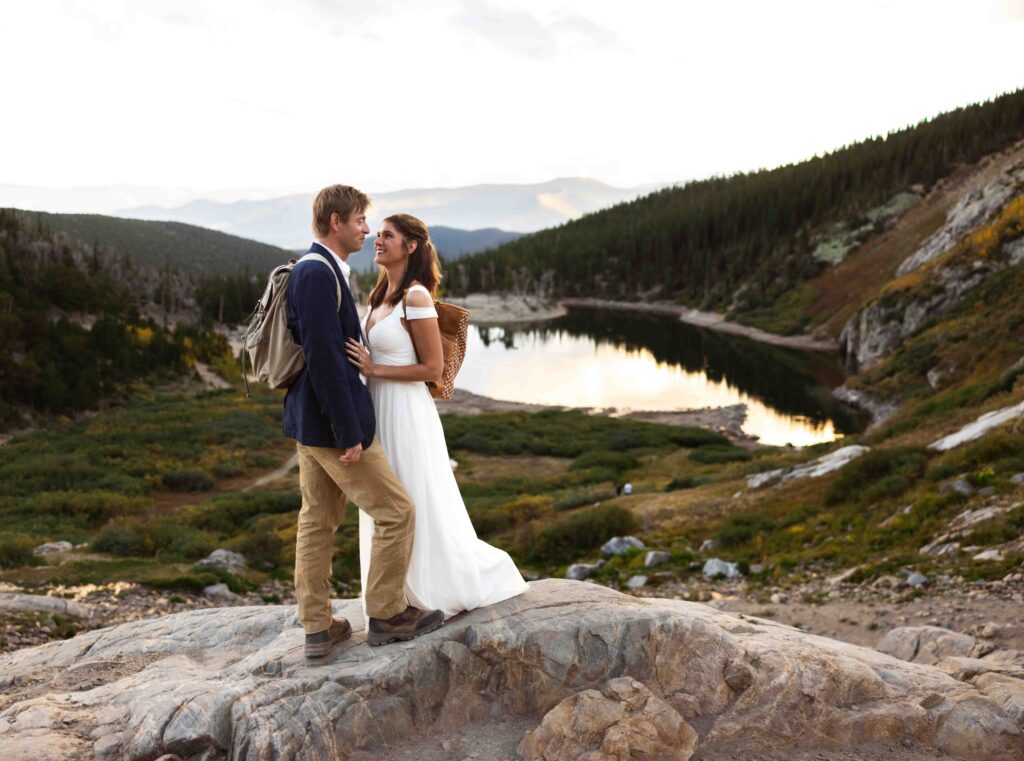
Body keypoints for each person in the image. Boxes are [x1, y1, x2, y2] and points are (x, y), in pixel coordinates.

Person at [283, 185, 444, 657]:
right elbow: (324, 359)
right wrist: (348, 431)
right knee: (397, 512)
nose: (366, 229)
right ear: (336, 222)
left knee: (317, 520)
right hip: (331, 425)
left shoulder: (321, 270)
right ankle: (388, 614)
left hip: (311, 422)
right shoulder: (316, 273)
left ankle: (317, 628)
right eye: (359, 221)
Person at [346, 213, 529, 618]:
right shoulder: (378, 297)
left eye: (388, 236)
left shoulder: (416, 297)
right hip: (377, 408)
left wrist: (374, 368)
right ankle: (392, 594)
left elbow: (431, 368)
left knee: (412, 497)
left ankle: (427, 590)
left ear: (410, 246)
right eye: (377, 234)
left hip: (406, 412)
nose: (378, 241)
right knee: (385, 503)